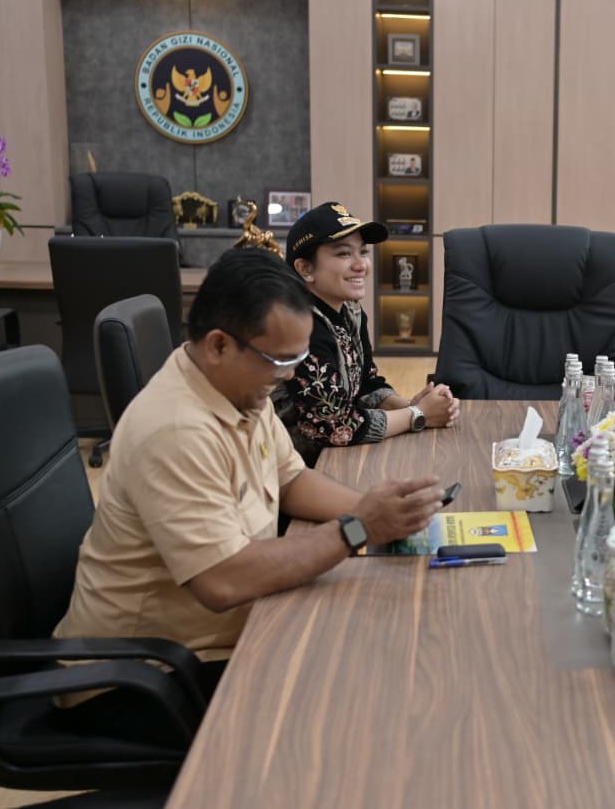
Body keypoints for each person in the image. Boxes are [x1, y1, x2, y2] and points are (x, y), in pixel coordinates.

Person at [53, 249, 447, 740]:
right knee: (357, 709)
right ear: (219, 344)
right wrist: (360, 527)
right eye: (281, 360)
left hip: (223, 638)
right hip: (141, 677)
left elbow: (291, 480)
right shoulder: (175, 429)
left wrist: (381, 509)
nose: (289, 375)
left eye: (299, 358)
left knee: (374, 655)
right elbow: (221, 582)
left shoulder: (238, 386)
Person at [275, 201, 459, 466]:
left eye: (362, 252)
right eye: (343, 254)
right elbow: (336, 427)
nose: (361, 265)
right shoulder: (301, 324)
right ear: (306, 269)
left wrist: (410, 406)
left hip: (341, 460)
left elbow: (367, 383)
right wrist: (418, 415)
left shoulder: (350, 310)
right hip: (298, 473)